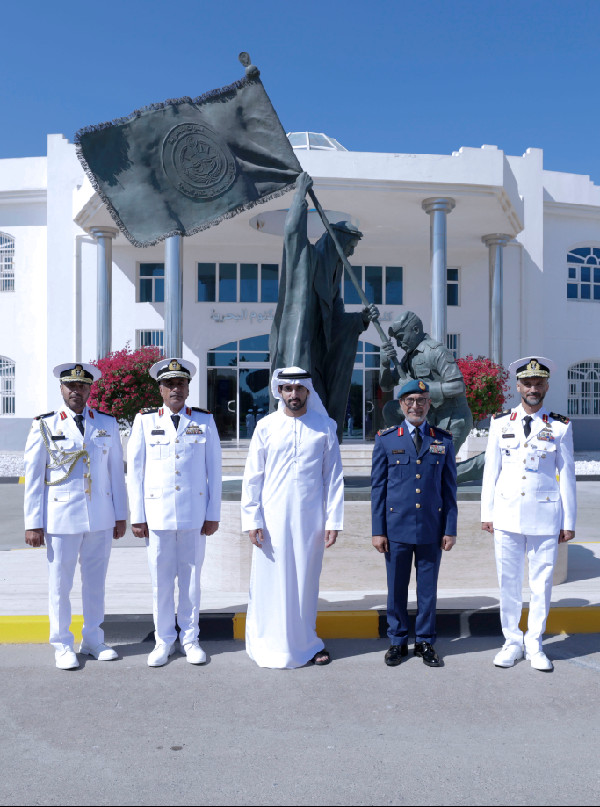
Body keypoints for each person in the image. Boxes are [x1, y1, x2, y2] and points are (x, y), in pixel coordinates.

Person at [24, 362, 127, 670]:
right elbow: (33, 477)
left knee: (95, 583)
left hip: (99, 517)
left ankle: (94, 639)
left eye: (82, 386)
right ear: (61, 389)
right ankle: (62, 644)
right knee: (60, 584)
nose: (76, 391)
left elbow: (115, 475)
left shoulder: (106, 424)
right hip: (61, 518)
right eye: (71, 386)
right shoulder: (45, 424)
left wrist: (120, 515)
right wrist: (33, 523)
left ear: (89, 389)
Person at [241, 366, 344, 668]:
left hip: (311, 520)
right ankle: (269, 641)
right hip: (271, 519)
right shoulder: (266, 426)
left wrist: (333, 521)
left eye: (299, 389)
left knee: (305, 580)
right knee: (271, 580)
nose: (294, 394)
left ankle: (306, 642)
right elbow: (252, 477)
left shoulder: (324, 426)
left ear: (308, 392)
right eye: (288, 389)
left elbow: (334, 477)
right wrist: (252, 519)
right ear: (279, 392)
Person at [481, 356, 576, 672]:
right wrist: (487, 513)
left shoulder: (560, 426)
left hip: (545, 516)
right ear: (518, 386)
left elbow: (567, 475)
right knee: (508, 583)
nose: (533, 388)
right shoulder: (499, 423)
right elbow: (490, 472)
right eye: (527, 383)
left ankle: (534, 644)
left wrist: (569, 521)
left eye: (539, 383)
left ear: (546, 385)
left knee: (541, 584)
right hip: (507, 515)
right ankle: (511, 642)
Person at [269, 171, 379, 440]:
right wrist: (299, 197)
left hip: (318, 358)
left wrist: (361, 319)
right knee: (297, 403)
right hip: (297, 350)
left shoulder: (333, 278)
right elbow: (292, 233)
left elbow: (337, 320)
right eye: (349, 247)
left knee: (321, 406)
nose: (350, 254)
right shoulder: (307, 258)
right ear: (337, 242)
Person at [127, 358, 222, 667]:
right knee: (161, 581)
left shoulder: (205, 421)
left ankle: (190, 639)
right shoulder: (144, 421)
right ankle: (164, 640)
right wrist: (137, 516)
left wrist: (213, 513)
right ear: (161, 389)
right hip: (157, 515)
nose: (175, 389)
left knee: (192, 581)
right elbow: (136, 472)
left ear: (188, 388)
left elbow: (214, 471)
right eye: (169, 384)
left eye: (180, 383)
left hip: (194, 515)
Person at [371, 379, 457, 668]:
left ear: (429, 404)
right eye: (409, 400)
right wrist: (378, 530)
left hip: (432, 529)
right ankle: (397, 642)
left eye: (421, 400)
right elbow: (378, 489)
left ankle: (425, 642)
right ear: (400, 405)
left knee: (427, 589)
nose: (415, 406)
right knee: (396, 588)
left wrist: (450, 528)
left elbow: (449, 490)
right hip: (396, 530)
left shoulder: (442, 439)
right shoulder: (387, 439)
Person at [379, 311, 473, 453]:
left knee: (438, 465)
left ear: (416, 330)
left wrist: (421, 390)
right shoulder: (408, 359)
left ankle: (481, 464)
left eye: (401, 337)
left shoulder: (436, 351)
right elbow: (386, 386)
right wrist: (384, 364)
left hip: (452, 419)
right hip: (429, 418)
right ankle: (408, 447)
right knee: (391, 409)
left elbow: (458, 387)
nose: (398, 344)